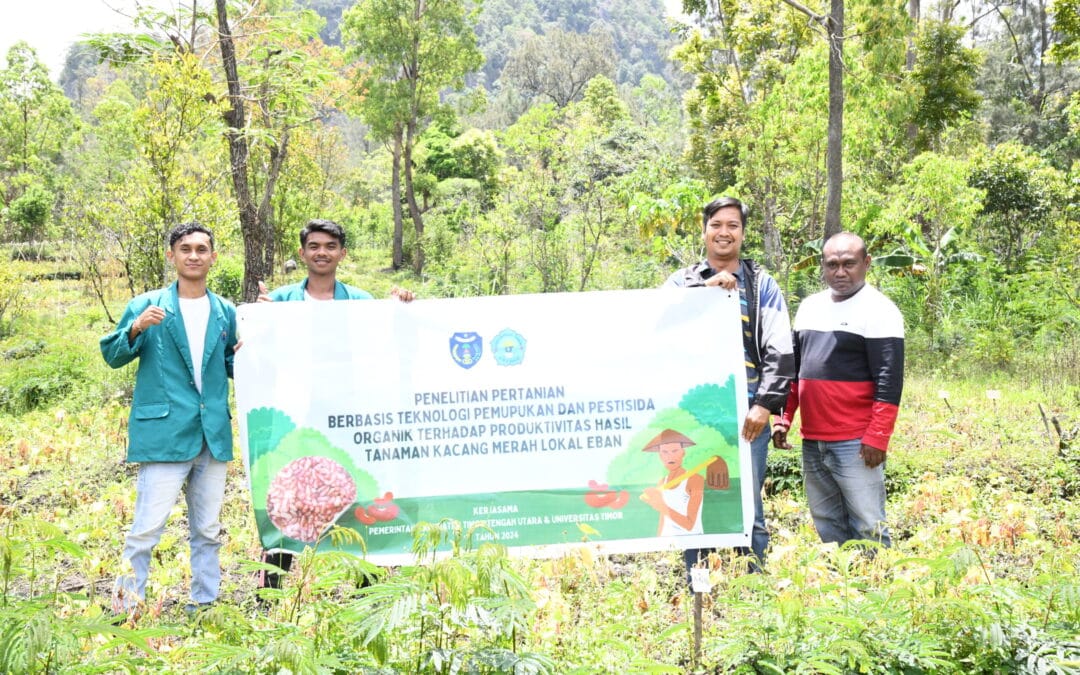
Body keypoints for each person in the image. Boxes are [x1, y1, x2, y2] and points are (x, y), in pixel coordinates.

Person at [254, 218, 413, 590]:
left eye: (329, 246)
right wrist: (260, 319)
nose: (321, 252)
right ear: (302, 253)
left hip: (349, 416)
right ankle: (271, 590)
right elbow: (257, 356)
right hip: (295, 417)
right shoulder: (279, 301)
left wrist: (402, 307)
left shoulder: (360, 301)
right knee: (286, 499)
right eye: (314, 246)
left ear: (342, 253)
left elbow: (388, 344)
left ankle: (368, 586)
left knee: (361, 492)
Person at [100, 222, 238, 617]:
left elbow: (230, 364)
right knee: (145, 530)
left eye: (201, 249)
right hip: (163, 433)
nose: (193, 255)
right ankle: (127, 607)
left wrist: (249, 353)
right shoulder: (148, 304)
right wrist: (136, 326)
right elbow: (112, 355)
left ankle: (205, 603)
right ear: (171, 255)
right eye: (185, 249)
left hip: (212, 435)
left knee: (208, 530)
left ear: (213, 256)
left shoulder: (224, 310)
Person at [664, 196, 795, 574]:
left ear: (742, 233)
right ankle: (699, 583)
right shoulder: (680, 282)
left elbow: (780, 349)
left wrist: (764, 405)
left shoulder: (761, 284)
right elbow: (655, 330)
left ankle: (752, 588)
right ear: (704, 231)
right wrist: (703, 295)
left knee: (746, 500)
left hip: (747, 409)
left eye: (732, 226)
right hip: (695, 412)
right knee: (695, 495)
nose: (724, 232)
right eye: (716, 225)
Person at [772, 232, 904, 549]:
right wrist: (783, 418)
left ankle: (875, 588)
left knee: (868, 522)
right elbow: (794, 371)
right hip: (814, 437)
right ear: (823, 266)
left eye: (849, 264)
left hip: (856, 441)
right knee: (827, 518)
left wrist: (877, 436)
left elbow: (889, 381)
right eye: (832, 264)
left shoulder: (880, 311)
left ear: (866, 264)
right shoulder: (809, 307)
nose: (840, 272)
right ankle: (840, 586)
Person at [641, 430, 707, 536]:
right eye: (665, 452)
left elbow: (689, 525)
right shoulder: (662, 482)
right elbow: (662, 520)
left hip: (692, 542)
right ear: (660, 456)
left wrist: (660, 505)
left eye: (675, 450)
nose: (670, 456)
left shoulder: (695, 479)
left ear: (683, 452)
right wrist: (658, 541)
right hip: (667, 542)